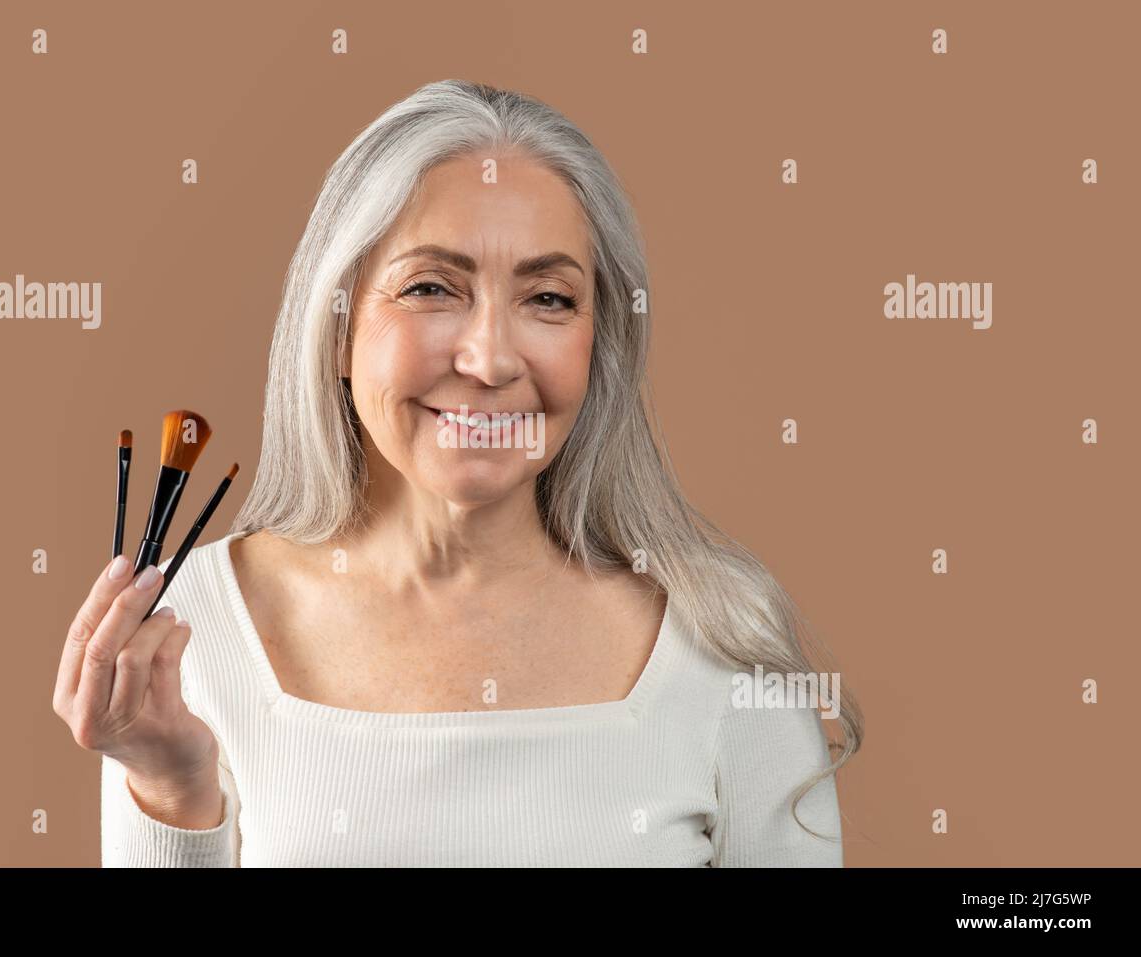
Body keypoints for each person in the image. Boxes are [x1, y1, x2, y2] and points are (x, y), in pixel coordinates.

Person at [53, 79, 862, 867]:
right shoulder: (186, 629)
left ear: (597, 342)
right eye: (433, 288)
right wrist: (169, 788)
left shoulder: (723, 636)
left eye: (548, 298)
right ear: (336, 329)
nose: (489, 358)